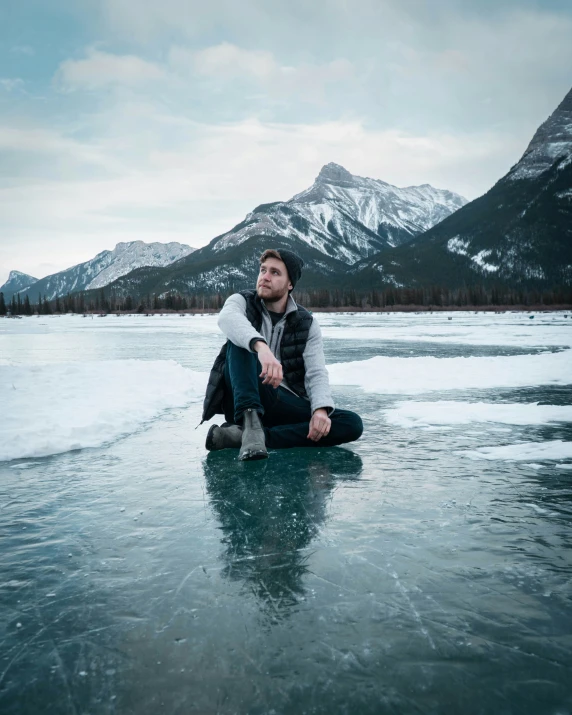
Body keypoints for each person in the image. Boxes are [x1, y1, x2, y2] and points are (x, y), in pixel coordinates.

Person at [202, 248, 363, 461]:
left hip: (281, 400)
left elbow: (316, 373)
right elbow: (227, 319)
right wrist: (261, 347)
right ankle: (251, 424)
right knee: (239, 342)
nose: (265, 277)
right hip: (244, 396)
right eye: (263, 270)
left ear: (290, 284)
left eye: (275, 272)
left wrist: (321, 410)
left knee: (350, 423)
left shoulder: (307, 323)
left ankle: (251, 437)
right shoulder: (241, 301)